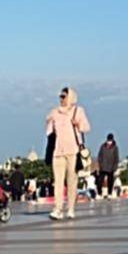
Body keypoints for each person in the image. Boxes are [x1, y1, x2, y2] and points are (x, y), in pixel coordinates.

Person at [44, 87, 91, 221]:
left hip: (73, 151)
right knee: (58, 182)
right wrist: (50, 125)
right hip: (58, 152)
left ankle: (71, 208)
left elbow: (86, 127)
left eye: (64, 96)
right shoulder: (55, 112)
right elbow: (49, 132)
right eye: (60, 96)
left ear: (70, 97)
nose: (61, 99)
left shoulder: (77, 111)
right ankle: (58, 209)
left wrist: (78, 124)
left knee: (72, 181)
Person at [96, 133, 119, 197]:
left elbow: (116, 158)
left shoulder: (115, 147)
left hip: (111, 167)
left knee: (110, 182)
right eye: (108, 140)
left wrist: (115, 167)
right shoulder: (102, 146)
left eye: (110, 140)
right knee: (99, 181)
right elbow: (99, 156)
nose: (109, 141)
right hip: (102, 167)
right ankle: (99, 193)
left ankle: (109, 193)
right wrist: (100, 164)